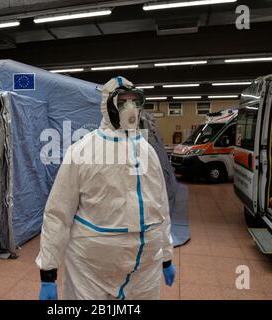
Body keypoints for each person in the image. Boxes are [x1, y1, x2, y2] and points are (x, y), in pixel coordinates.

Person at [36, 76, 175, 300]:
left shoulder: (147, 151)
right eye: (122, 101)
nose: (130, 107)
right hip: (91, 272)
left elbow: (160, 207)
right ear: (108, 106)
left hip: (144, 271)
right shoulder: (82, 151)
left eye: (134, 100)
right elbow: (58, 213)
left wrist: (166, 256)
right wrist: (48, 271)